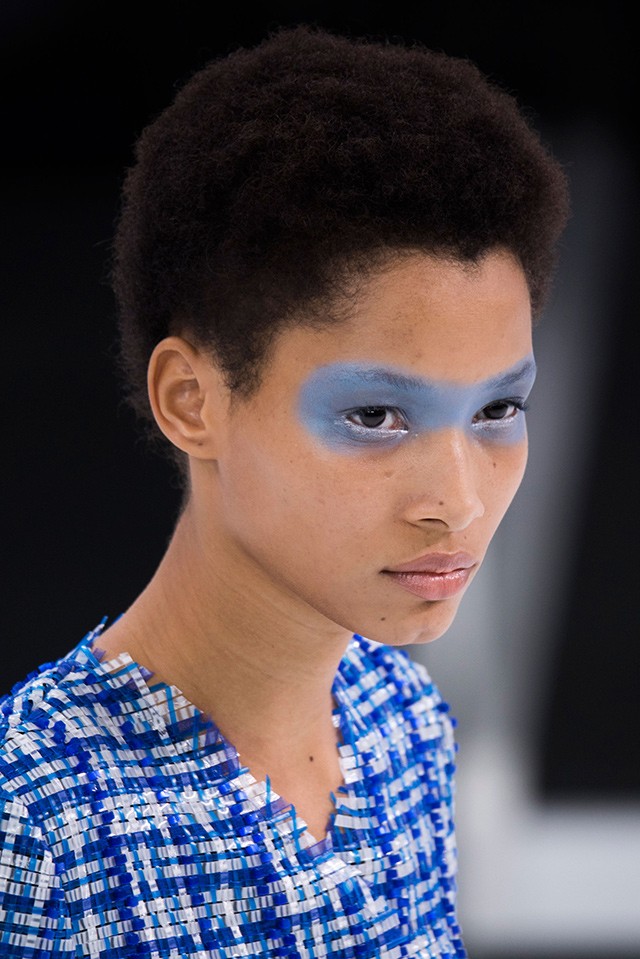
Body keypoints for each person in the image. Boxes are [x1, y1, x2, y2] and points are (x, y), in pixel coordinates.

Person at [0, 24, 569, 958]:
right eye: (377, 415)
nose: (459, 501)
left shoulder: (403, 725)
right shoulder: (40, 822)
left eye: (498, 408)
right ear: (192, 401)